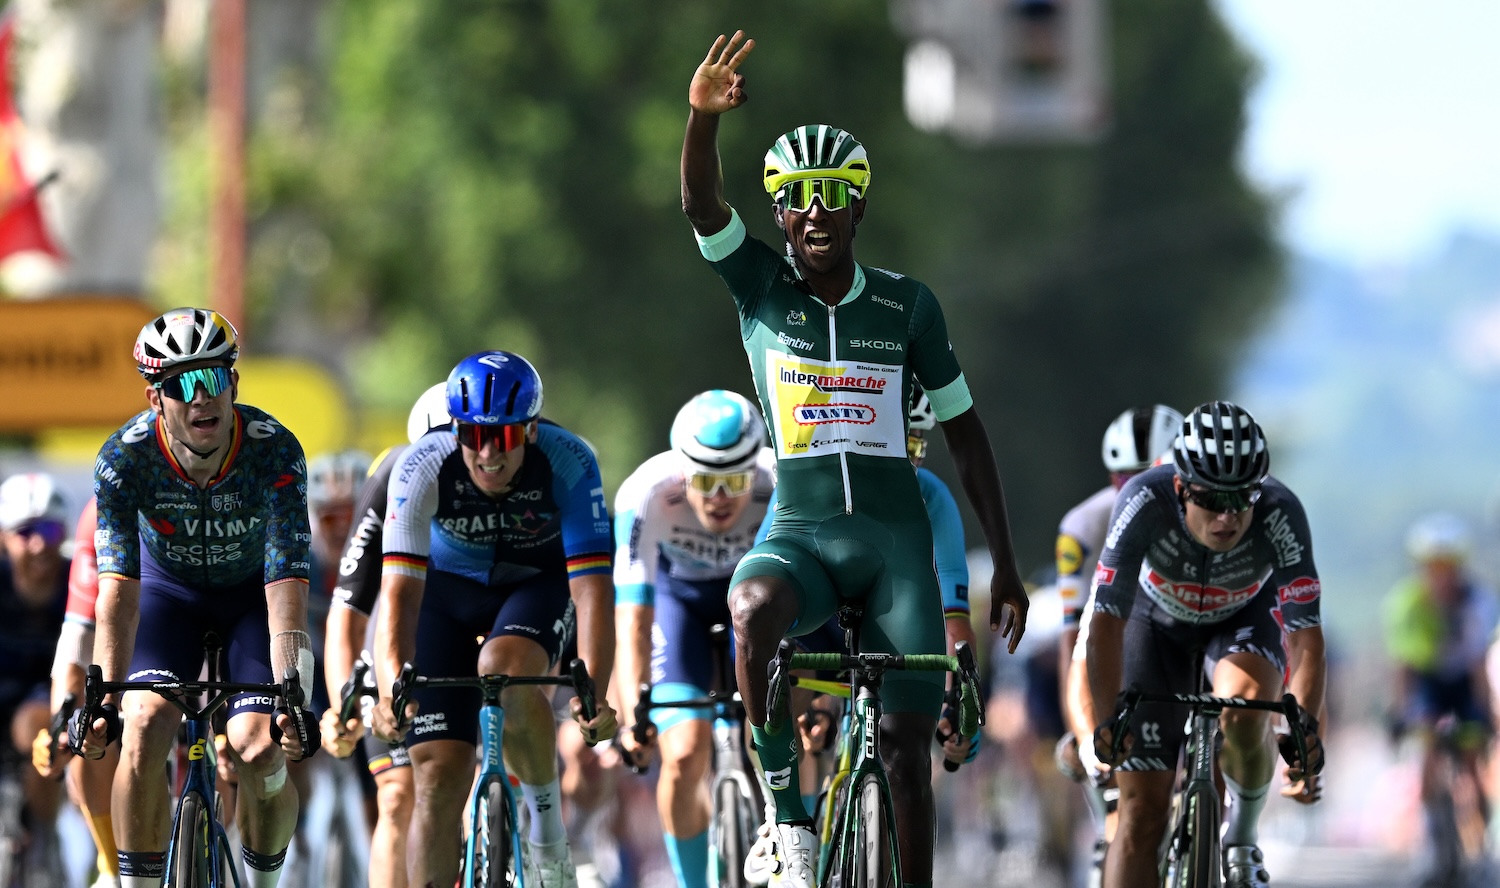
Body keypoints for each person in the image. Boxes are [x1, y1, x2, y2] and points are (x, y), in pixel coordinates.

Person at [681, 32, 1030, 888]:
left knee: (909, 760)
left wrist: (1009, 566)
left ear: (857, 209)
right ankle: (789, 820)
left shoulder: (909, 308)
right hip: (799, 533)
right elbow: (699, 205)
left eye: (831, 198)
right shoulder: (760, 289)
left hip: (895, 546)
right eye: (795, 200)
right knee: (753, 603)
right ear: (781, 215)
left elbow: (966, 434)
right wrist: (700, 122)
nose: (813, 214)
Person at [73, 306, 319, 888]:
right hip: (168, 596)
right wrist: (104, 690)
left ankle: (263, 880)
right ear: (155, 397)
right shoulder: (124, 459)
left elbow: (287, 585)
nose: (200, 398)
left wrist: (294, 688)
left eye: (213, 378)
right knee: (144, 719)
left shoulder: (275, 452)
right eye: (181, 384)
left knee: (259, 747)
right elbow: (118, 592)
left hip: (250, 599)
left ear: (234, 382)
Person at [370, 351, 619, 888]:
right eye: (471, 434)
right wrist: (394, 684)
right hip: (447, 595)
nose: (485, 452)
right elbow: (398, 595)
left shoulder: (568, 459)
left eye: (502, 437)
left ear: (529, 430)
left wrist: (593, 692)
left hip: (538, 584)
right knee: (436, 775)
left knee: (502, 669)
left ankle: (548, 835)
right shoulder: (421, 465)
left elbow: (594, 591)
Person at [1087, 401, 1326, 888]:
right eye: (1211, 500)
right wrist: (1105, 718)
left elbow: (1306, 639)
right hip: (1153, 627)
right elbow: (1105, 624)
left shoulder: (1281, 512)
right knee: (1141, 815)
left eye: (1242, 498)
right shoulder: (1141, 500)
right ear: (1180, 487)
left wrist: (1304, 732)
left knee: (1246, 708)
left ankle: (1240, 838)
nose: (1228, 516)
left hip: (1241, 621)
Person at [613, 390, 776, 888]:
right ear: (682, 473)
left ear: (755, 470)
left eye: (734, 481)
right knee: (683, 754)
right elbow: (633, 617)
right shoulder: (644, 491)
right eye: (705, 481)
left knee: (773, 736)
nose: (720, 497)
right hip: (677, 597)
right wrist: (632, 713)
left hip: (753, 596)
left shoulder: (782, 480)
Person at [319, 383, 449, 888]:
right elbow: (348, 611)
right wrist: (342, 706)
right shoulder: (395, 474)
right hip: (400, 635)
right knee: (396, 796)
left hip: (473, 628)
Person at [1052, 405, 1180, 876]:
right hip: (1110, 642)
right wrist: (1086, 732)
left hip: (1171, 638)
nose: (1138, 491)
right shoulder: (1082, 529)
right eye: (1125, 479)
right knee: (1118, 800)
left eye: (1152, 475)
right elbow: (1076, 639)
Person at [1384, 512, 1497, 881]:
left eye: (1448, 566)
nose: (1442, 575)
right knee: (1428, 750)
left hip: (1464, 681)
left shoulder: (1477, 602)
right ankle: (1434, 844)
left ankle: (1479, 848)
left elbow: (1480, 664)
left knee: (1471, 759)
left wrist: (1486, 715)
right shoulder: (1406, 604)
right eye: (1434, 566)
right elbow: (1404, 667)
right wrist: (1403, 713)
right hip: (1428, 681)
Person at [34, 495, 124, 888]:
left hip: (210, 619)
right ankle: (111, 865)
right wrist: (59, 728)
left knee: (225, 742)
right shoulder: (101, 514)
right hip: (126, 628)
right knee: (86, 727)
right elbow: (76, 641)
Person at [0, 472, 70, 879]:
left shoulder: (81, 581)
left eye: (47, 529)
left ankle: (47, 835)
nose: (40, 543)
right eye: (26, 532)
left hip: (48, 711)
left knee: (36, 723)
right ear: (5, 539)